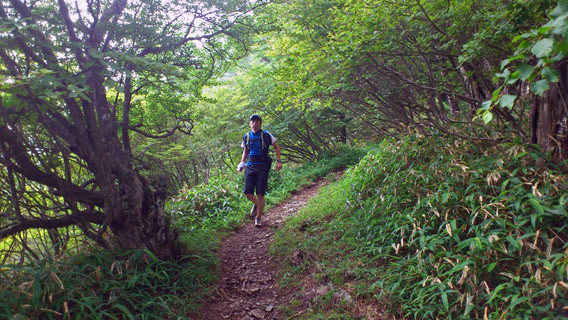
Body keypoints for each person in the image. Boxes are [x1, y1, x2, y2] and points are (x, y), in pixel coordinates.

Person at [237, 114, 282, 227]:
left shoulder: (266, 135)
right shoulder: (246, 136)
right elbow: (245, 151)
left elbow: (276, 146)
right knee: (248, 193)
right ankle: (258, 205)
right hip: (250, 166)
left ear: (260, 123)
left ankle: (258, 218)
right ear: (250, 123)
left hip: (262, 166)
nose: (255, 123)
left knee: (260, 193)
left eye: (257, 121)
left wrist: (278, 161)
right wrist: (241, 163)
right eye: (252, 121)